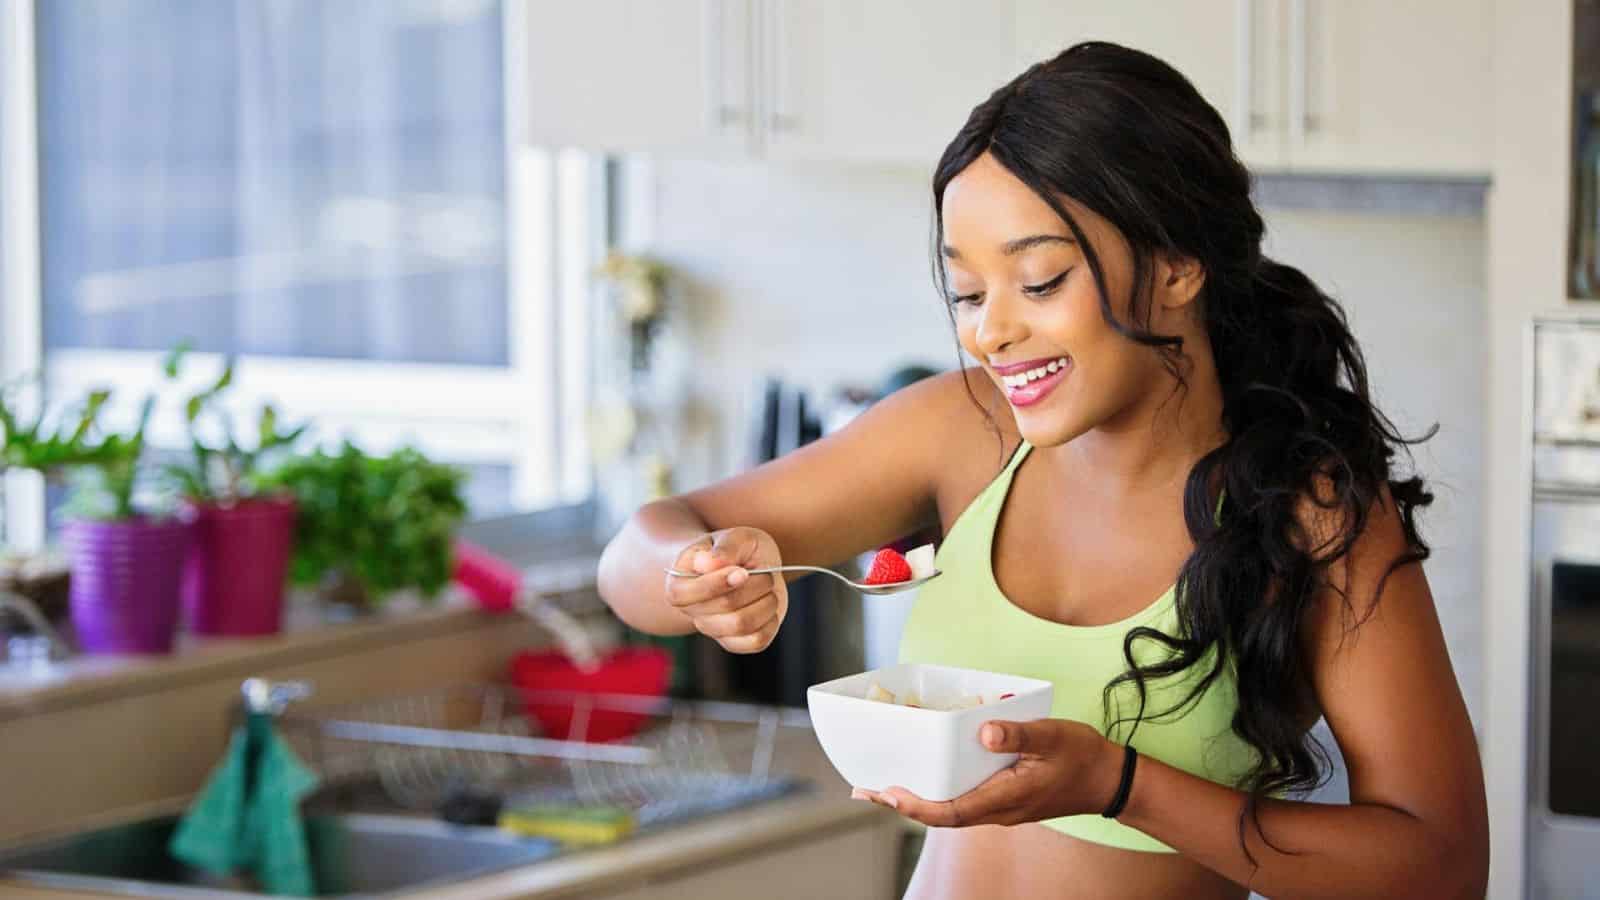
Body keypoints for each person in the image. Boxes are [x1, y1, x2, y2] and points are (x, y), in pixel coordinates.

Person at [597, 42, 1488, 899]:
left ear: (1179, 266)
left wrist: (1120, 784)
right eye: (970, 293)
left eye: (1041, 280)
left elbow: (1441, 867)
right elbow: (637, 553)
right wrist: (694, 577)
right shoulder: (964, 429)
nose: (991, 332)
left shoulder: (1310, 511)